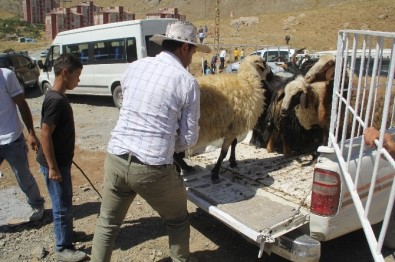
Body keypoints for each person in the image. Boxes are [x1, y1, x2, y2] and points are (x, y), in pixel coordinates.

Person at [91, 21, 210, 262]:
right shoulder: (186, 82)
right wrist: (166, 143)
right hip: (152, 167)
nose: (193, 57)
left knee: (107, 224)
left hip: (115, 157)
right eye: (194, 51)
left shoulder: (135, 67)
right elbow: (189, 138)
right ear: (184, 49)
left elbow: (128, 104)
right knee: (177, 220)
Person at [36, 54, 87, 262]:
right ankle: (63, 247)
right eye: (77, 75)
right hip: (54, 165)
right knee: (61, 205)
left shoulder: (58, 96)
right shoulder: (55, 100)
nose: (78, 80)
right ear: (64, 73)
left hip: (60, 161)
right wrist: (53, 167)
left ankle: (66, 234)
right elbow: (45, 133)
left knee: (65, 201)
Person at [0, 68, 45, 222]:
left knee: (23, 176)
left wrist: (31, 132)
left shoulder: (6, 75)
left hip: (12, 138)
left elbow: (22, 104)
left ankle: (37, 205)